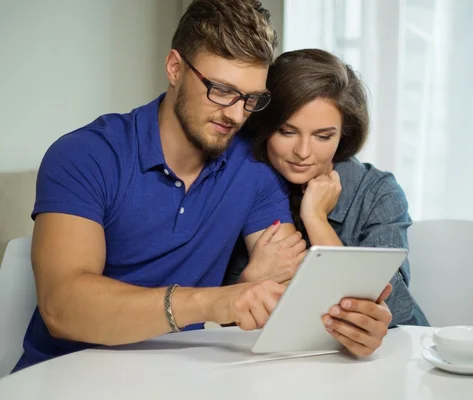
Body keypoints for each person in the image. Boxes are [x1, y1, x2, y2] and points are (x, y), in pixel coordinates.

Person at [12, 0, 309, 372]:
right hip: (64, 375)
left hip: (182, 376)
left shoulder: (254, 167)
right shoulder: (85, 155)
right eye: (220, 90)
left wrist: (346, 310)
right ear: (174, 68)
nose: (235, 114)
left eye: (251, 99)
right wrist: (213, 302)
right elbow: (63, 307)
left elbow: (285, 290)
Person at [226, 49, 429, 356]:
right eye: (287, 131)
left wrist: (316, 219)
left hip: (384, 363)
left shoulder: (377, 193)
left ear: (343, 134)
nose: (303, 151)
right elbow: (224, 316)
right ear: (264, 126)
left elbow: (398, 311)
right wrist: (248, 282)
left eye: (322, 136)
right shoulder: (242, 185)